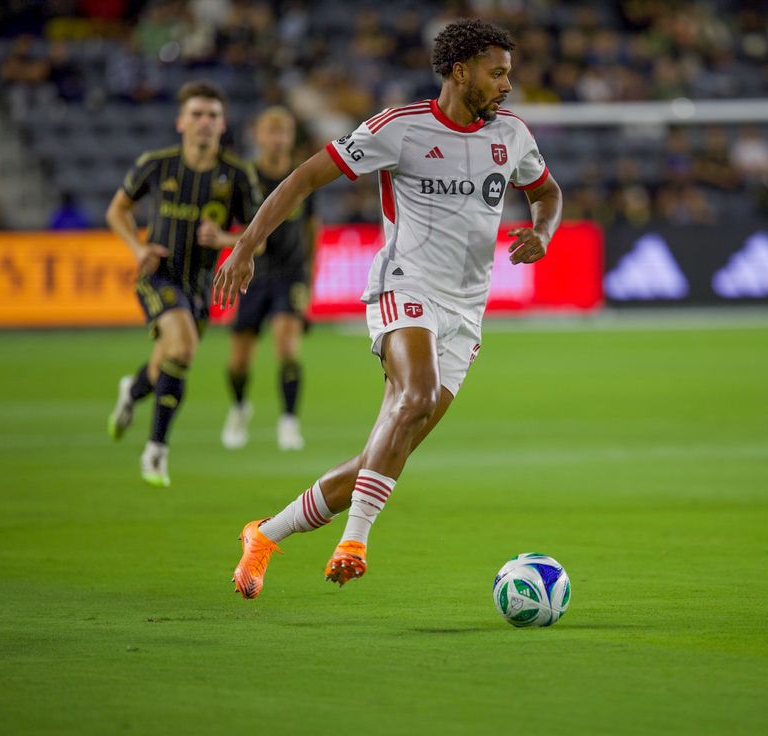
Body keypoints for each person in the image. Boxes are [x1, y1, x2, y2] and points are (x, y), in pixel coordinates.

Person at [214, 18, 562, 598]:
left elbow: (546, 191)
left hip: (466, 311)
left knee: (382, 454)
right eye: (496, 72)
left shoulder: (514, 136)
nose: (506, 84)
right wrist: (245, 245)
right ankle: (354, 542)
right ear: (460, 71)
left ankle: (265, 534)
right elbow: (303, 179)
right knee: (416, 396)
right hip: (406, 286)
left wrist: (544, 231)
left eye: (509, 73)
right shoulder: (400, 128)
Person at [105, 80, 262, 486]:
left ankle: (132, 390)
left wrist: (227, 240)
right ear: (181, 122)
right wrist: (137, 248)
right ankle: (156, 451)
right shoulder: (157, 164)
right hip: (157, 274)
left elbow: (258, 240)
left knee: (168, 362)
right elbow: (117, 211)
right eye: (196, 114)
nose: (204, 122)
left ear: (223, 124)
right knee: (184, 346)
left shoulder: (238, 175)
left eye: (212, 115)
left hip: (201, 285)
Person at [221, 106, 317, 451]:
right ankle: (239, 407)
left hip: (290, 275)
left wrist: (309, 278)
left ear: (291, 137)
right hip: (253, 277)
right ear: (258, 136)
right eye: (270, 132)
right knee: (238, 362)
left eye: (284, 132)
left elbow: (310, 227)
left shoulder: (304, 175)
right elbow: (225, 229)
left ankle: (289, 422)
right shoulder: (244, 179)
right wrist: (241, 244)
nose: (277, 140)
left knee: (287, 350)